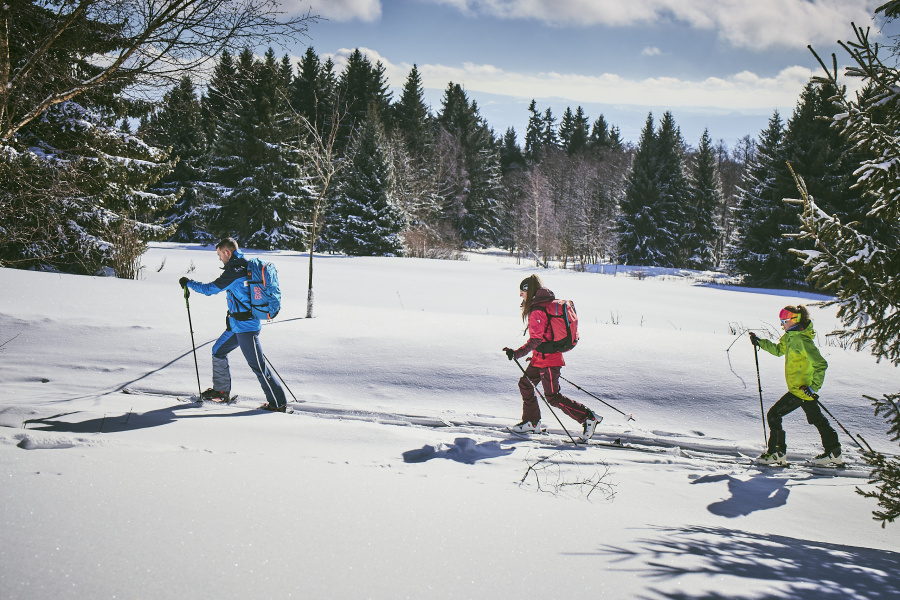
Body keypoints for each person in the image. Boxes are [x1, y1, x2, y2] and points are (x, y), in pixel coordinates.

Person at [179, 238, 287, 412]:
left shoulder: (235, 271)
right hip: (237, 325)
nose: (220, 259)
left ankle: (278, 403)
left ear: (227, 252)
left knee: (258, 367)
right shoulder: (243, 264)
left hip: (246, 327)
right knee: (218, 351)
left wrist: (189, 283)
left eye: (220, 255)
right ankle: (221, 392)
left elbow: (210, 290)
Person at [502, 275, 600, 442]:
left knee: (552, 397)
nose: (520, 296)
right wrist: (534, 354)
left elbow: (536, 340)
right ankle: (532, 422)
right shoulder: (540, 306)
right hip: (540, 358)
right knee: (525, 384)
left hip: (549, 361)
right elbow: (543, 338)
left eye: (521, 292)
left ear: (528, 291)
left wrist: (516, 353)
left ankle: (588, 417)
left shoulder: (537, 310)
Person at [750, 305, 841, 465]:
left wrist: (813, 387)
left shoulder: (802, 340)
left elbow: (821, 364)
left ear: (794, 321)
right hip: (803, 391)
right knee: (818, 420)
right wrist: (760, 342)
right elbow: (779, 350)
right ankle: (834, 452)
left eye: (784, 321)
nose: (781, 324)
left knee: (774, 415)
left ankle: (776, 453)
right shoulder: (790, 337)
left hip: (801, 390)